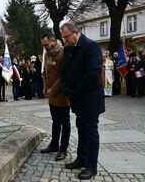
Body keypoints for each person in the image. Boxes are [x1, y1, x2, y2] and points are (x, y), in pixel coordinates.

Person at [60, 22, 105, 180]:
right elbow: (64, 72)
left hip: (90, 98)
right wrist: (66, 89)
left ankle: (91, 166)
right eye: (63, 37)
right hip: (76, 97)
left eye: (67, 37)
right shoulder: (67, 49)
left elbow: (93, 73)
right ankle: (81, 158)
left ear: (76, 33)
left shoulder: (91, 47)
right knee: (81, 127)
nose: (65, 40)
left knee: (91, 130)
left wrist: (76, 91)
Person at [40, 33, 71, 161]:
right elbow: (46, 73)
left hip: (62, 94)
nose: (44, 47)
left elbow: (64, 75)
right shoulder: (47, 54)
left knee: (65, 122)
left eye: (46, 44)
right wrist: (46, 88)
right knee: (55, 121)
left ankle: (63, 149)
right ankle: (54, 145)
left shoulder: (63, 53)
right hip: (51, 94)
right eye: (43, 45)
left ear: (53, 41)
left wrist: (53, 89)